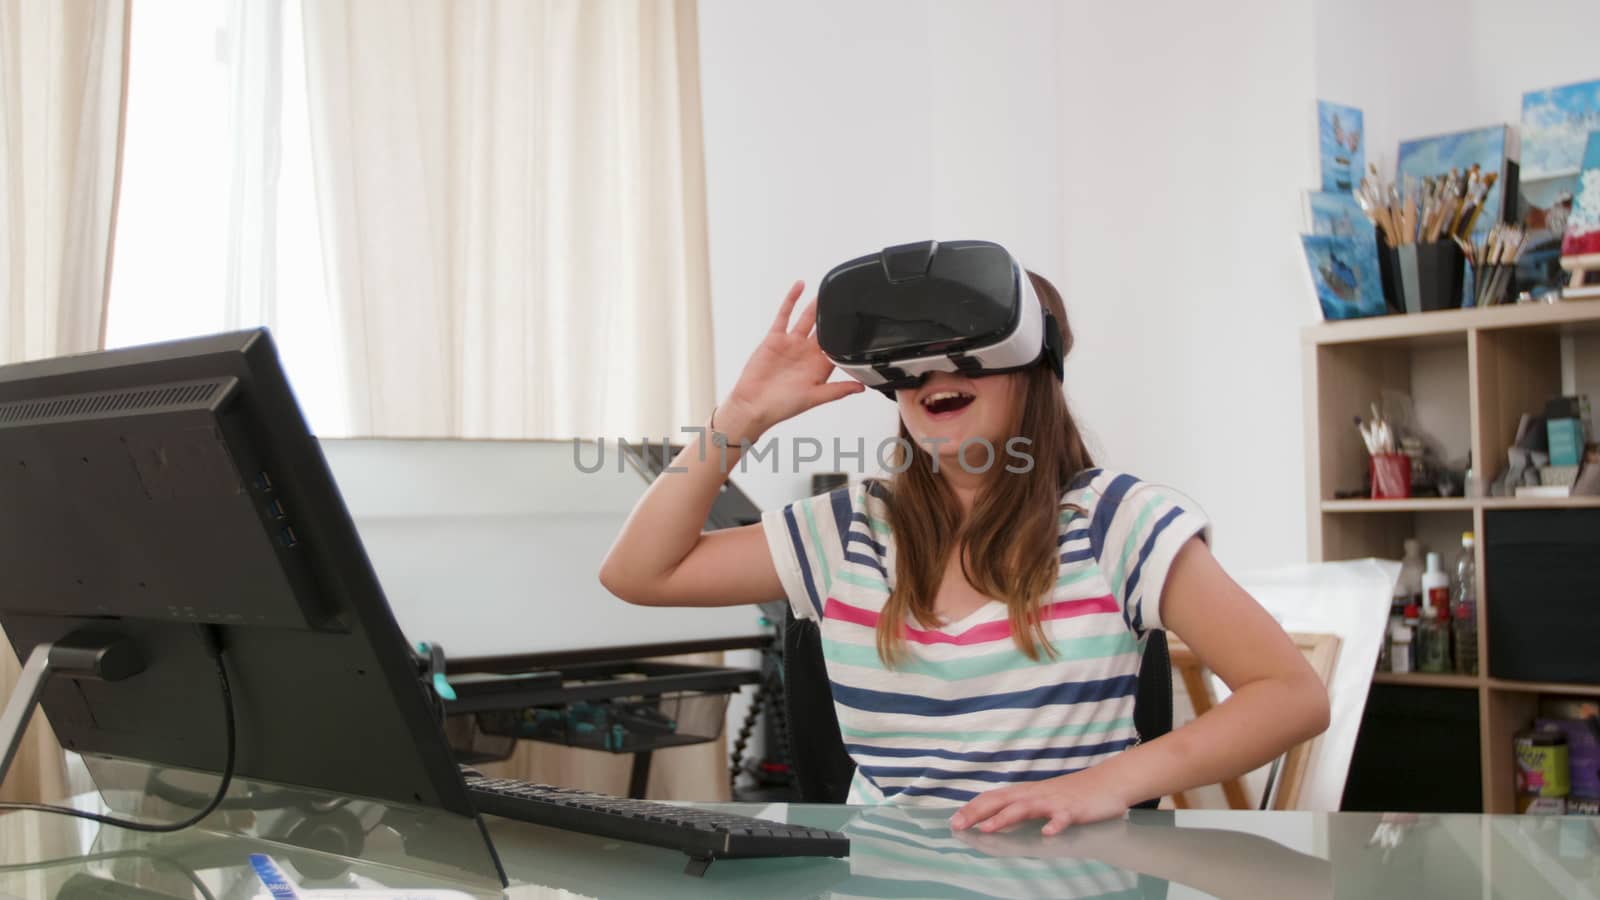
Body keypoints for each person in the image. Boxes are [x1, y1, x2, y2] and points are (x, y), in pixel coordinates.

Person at [599, 272, 1329, 834]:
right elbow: (638, 573)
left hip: (1064, 878)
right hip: (884, 878)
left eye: (971, 349)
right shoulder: (850, 528)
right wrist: (742, 417)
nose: (934, 374)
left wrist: (1110, 783)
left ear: (1033, 365)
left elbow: (1290, 694)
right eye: (910, 360)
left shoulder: (1119, 523)